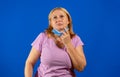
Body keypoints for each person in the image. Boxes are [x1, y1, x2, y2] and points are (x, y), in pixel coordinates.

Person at [24, 7, 86, 77]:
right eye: (55, 17)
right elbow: (29, 62)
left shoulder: (76, 39)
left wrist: (68, 44)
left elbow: (81, 68)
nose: (58, 19)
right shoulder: (43, 37)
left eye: (62, 16)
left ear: (68, 20)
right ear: (51, 23)